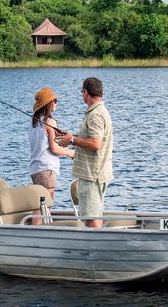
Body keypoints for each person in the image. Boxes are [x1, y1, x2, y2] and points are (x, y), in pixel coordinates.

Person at [58, 77, 113, 228]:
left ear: (86, 92)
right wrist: (71, 138)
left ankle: (95, 248)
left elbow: (95, 144)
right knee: (94, 213)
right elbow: (93, 140)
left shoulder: (95, 115)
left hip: (92, 175)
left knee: (91, 216)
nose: (82, 95)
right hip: (96, 172)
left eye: (82, 91)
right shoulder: (99, 111)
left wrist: (73, 140)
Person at [29, 88, 75, 223]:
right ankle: (39, 234)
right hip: (47, 170)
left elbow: (47, 142)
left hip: (35, 169)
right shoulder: (50, 122)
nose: (56, 103)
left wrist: (65, 138)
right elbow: (54, 149)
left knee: (39, 205)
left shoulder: (34, 122)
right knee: (45, 206)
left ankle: (35, 232)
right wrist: (70, 153)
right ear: (49, 104)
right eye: (54, 101)